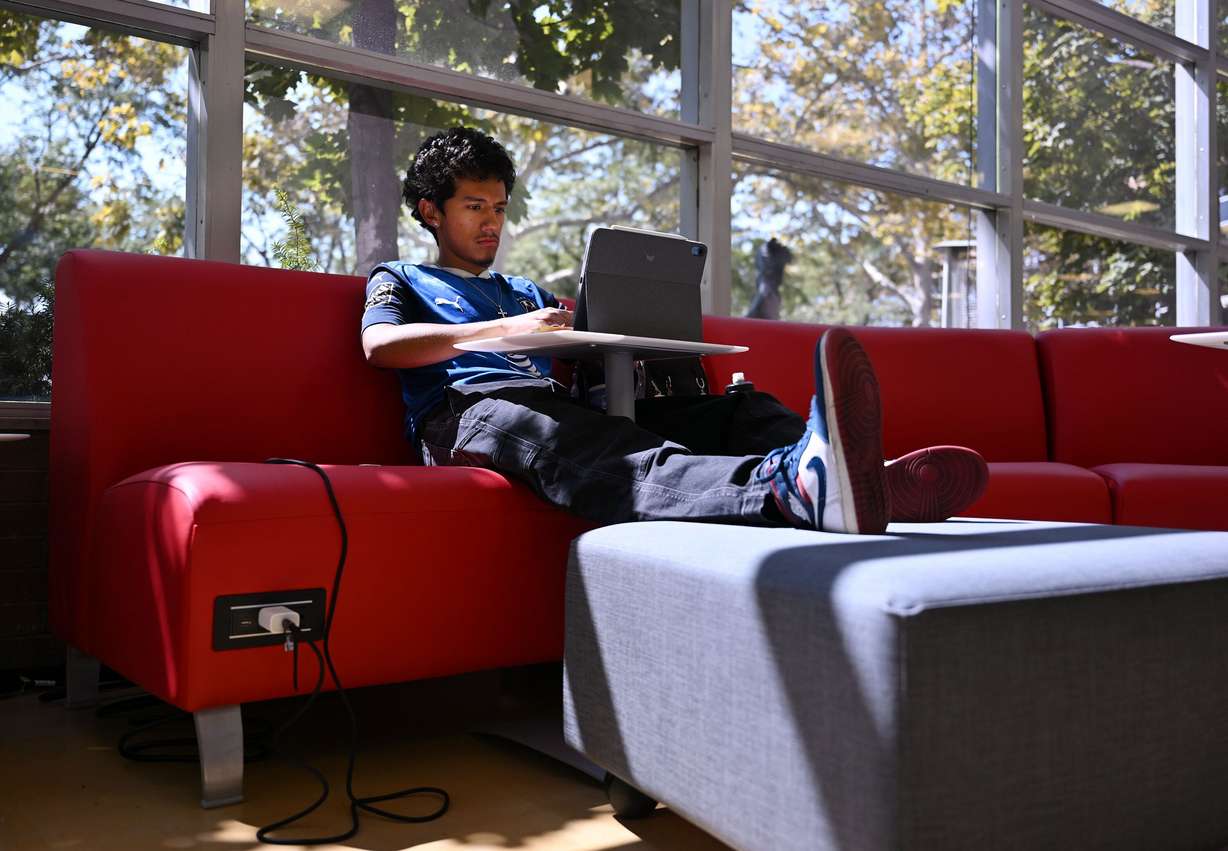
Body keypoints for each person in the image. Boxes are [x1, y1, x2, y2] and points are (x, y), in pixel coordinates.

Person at [360, 126, 987, 534]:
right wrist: (506, 329)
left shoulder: (522, 291)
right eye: (475, 207)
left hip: (558, 405)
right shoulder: (400, 278)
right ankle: (785, 490)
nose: (492, 223)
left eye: (498, 208)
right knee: (599, 446)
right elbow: (379, 347)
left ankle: (851, 479)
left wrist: (611, 334)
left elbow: (574, 350)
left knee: (740, 411)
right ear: (430, 211)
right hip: (469, 415)